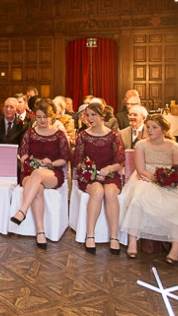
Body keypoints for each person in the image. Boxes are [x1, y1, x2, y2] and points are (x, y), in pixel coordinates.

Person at [119, 114, 178, 263]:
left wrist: (166, 180)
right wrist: (156, 178)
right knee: (138, 199)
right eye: (148, 127)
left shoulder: (174, 147)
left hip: (169, 180)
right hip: (146, 177)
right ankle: (132, 241)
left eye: (154, 127)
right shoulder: (141, 145)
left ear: (163, 130)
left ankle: (175, 247)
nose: (150, 130)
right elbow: (141, 170)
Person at [9, 99, 71, 249]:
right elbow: (23, 155)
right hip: (30, 172)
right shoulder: (29, 133)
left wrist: (50, 163)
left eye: (45, 117)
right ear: (35, 117)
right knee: (38, 189)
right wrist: (33, 161)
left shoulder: (59, 135)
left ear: (52, 117)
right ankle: (40, 232)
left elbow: (65, 158)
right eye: (39, 117)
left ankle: (22, 210)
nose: (42, 120)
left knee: (38, 174)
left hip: (52, 173)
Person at [73, 101, 127, 255]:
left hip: (110, 174)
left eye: (93, 115)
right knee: (97, 192)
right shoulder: (83, 136)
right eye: (87, 115)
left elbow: (119, 161)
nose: (90, 118)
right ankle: (90, 235)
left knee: (110, 192)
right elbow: (77, 161)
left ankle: (114, 237)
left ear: (102, 116)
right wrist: (90, 171)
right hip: (89, 176)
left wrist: (108, 169)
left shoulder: (113, 136)